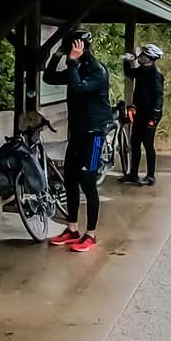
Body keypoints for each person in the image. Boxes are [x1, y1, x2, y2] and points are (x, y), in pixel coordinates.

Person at [43, 26, 111, 252]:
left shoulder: (96, 71)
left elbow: (78, 89)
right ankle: (72, 228)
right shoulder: (78, 67)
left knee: (88, 181)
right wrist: (57, 56)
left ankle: (90, 234)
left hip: (93, 135)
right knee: (70, 179)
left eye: (71, 45)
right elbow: (50, 77)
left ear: (80, 47)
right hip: (77, 134)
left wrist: (72, 63)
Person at [125, 42, 164, 185]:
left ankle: (150, 176)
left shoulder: (156, 75)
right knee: (135, 143)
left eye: (142, 55)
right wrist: (127, 61)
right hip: (139, 113)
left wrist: (154, 117)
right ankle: (133, 174)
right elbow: (129, 73)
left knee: (148, 144)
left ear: (149, 58)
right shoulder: (141, 70)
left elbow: (159, 97)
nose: (140, 56)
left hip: (150, 115)